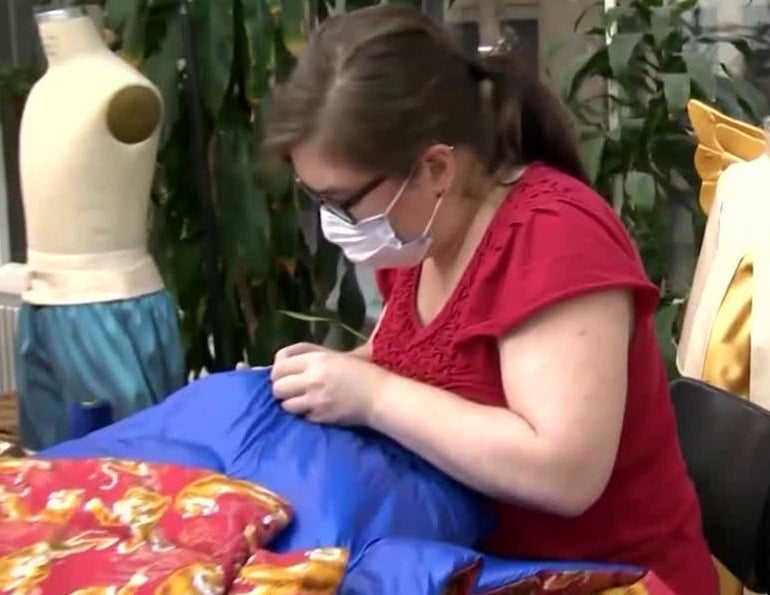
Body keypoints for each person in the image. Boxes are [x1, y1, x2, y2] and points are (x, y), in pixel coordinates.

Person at [261, 5, 718, 594]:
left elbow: (564, 472)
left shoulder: (555, 240)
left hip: (607, 579)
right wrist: (323, 377)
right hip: (473, 564)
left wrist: (371, 396)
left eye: (343, 202)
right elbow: (413, 362)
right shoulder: (422, 240)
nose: (334, 223)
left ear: (434, 168)